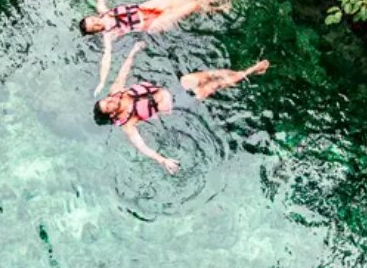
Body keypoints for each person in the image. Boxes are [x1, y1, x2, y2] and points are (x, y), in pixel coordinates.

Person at [93, 41, 269, 174]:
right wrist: (162, 160)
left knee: (212, 74)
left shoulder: (116, 92)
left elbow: (123, 73)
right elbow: (142, 146)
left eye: (107, 101)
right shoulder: (127, 123)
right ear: (112, 115)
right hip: (178, 104)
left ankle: (242, 71)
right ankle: (251, 70)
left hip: (176, 87)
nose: (110, 102)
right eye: (108, 107)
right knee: (214, 86)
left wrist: (133, 52)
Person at [80, 0, 245, 93]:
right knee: (193, 5)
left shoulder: (103, 11)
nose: (96, 23)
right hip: (151, 24)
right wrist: (102, 82)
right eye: (93, 27)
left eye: (92, 20)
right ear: (94, 31)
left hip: (145, 7)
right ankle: (218, 9)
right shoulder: (108, 35)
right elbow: (106, 58)